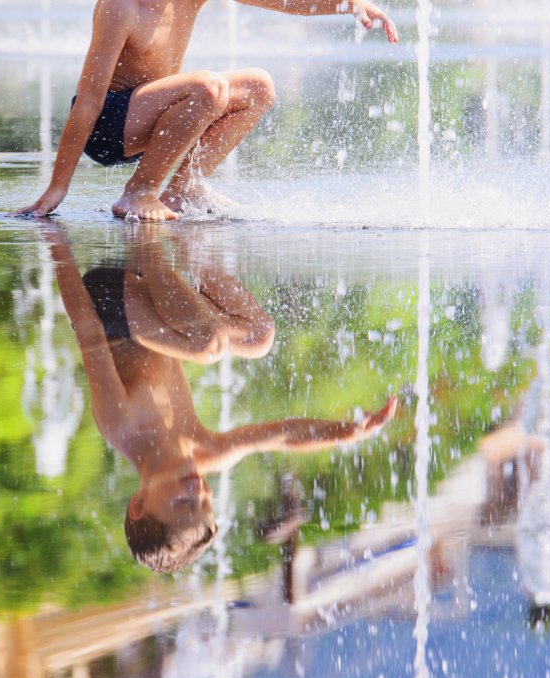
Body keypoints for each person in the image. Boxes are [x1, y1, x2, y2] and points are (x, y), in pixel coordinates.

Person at [14, 0, 399, 222]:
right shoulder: (121, 2)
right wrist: (56, 188)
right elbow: (88, 101)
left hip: (158, 116)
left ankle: (186, 187)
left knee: (258, 86)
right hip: (108, 125)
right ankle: (139, 191)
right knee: (210, 87)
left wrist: (346, 1)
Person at [44, 227, 398, 573]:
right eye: (205, 504)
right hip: (158, 313)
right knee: (260, 337)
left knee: (207, 345)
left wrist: (56, 245)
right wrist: (344, 433)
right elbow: (277, 438)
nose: (197, 491)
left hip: (107, 308)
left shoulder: (122, 426)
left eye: (183, 503)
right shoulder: (206, 453)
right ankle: (190, 236)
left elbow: (88, 331)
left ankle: (147, 236)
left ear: (138, 503)